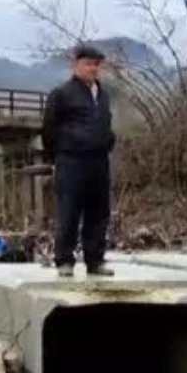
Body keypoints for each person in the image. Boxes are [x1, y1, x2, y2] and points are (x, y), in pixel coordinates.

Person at [40, 44, 116, 278]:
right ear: (76, 65)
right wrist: (60, 155)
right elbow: (48, 130)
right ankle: (64, 260)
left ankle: (95, 260)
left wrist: (108, 141)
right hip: (71, 160)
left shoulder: (102, 94)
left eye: (96, 64)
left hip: (99, 161)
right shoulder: (61, 94)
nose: (92, 68)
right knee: (69, 211)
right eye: (88, 63)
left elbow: (106, 124)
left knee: (98, 212)